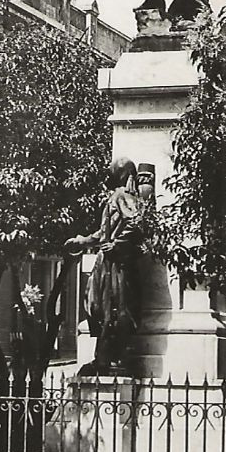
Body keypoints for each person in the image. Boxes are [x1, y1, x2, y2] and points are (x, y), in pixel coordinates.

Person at [66, 157, 146, 376]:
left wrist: (117, 245)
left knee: (113, 308)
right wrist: (82, 241)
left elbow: (136, 221)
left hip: (115, 263)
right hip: (107, 261)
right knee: (99, 307)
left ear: (121, 173)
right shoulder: (118, 195)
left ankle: (109, 359)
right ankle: (104, 357)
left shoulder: (122, 195)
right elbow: (104, 232)